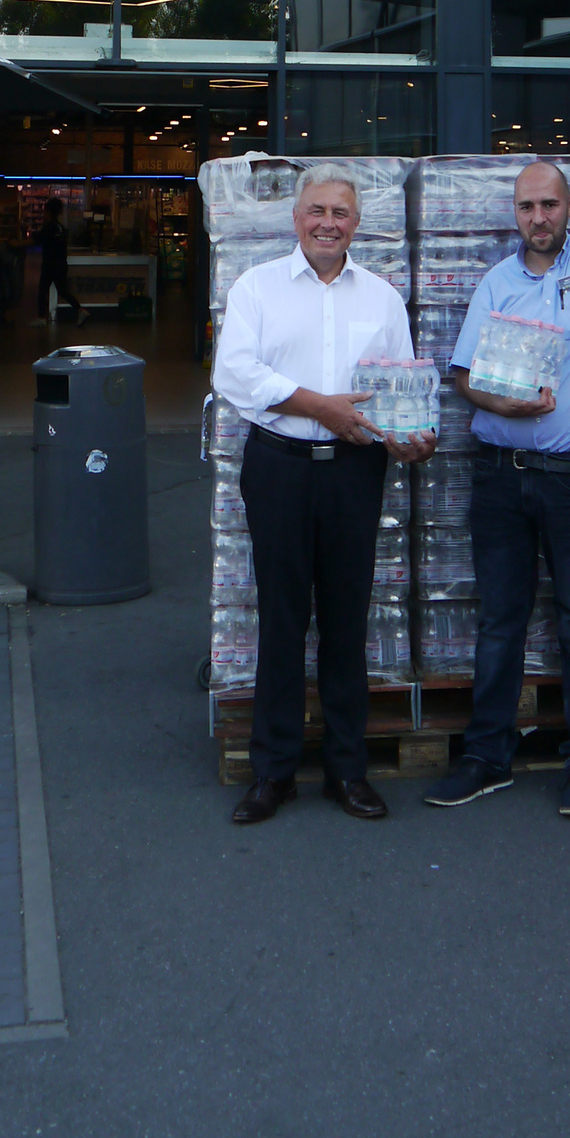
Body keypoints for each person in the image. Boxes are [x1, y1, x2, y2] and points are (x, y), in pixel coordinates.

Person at [214, 164, 434, 826]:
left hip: (353, 470)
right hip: (277, 465)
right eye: (316, 210)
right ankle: (272, 772)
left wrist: (409, 434)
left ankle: (347, 769)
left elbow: (400, 385)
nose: (327, 223)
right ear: (296, 218)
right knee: (280, 617)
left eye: (340, 212)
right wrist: (318, 406)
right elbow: (235, 373)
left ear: (356, 223)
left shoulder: (382, 298)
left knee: (346, 619)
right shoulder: (257, 288)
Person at [423, 160, 570, 818]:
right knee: (499, 619)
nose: (538, 218)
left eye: (549, 205)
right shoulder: (499, 281)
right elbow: (464, 375)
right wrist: (502, 406)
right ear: (514, 213)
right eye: (527, 207)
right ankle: (486, 756)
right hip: (501, 476)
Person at [36, 198, 80, 322]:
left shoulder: (48, 228)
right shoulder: (60, 228)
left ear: (49, 212)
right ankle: (80, 310)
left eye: (45, 212)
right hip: (60, 264)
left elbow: (35, 240)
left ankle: (41, 318)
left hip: (49, 264)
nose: (43, 214)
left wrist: (15, 244)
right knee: (62, 290)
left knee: (43, 290)